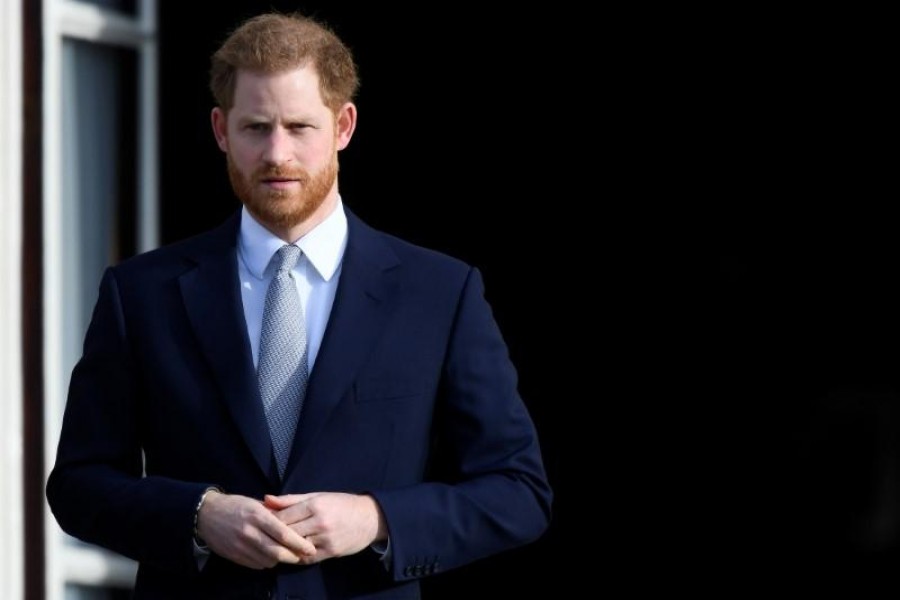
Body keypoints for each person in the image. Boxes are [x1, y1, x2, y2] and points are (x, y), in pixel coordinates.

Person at [46, 10, 552, 599]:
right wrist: (197, 514)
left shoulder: (439, 293)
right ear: (220, 130)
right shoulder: (142, 294)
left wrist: (376, 518)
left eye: (300, 127)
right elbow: (78, 486)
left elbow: (519, 490)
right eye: (256, 127)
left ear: (343, 126)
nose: (277, 154)